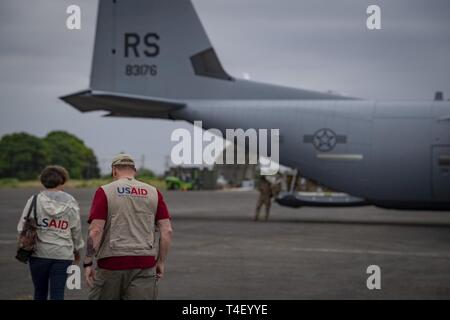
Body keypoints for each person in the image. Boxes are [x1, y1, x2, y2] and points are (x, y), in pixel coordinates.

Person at [84, 153, 173, 300]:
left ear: (114, 170)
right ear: (134, 170)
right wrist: (161, 262)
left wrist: (87, 262)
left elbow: (95, 230)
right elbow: (167, 230)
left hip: (111, 263)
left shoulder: (105, 191)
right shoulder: (154, 192)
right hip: (145, 264)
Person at [17, 165, 84, 300]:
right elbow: (76, 230)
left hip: (38, 254)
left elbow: (21, 228)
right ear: (62, 180)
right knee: (57, 294)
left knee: (40, 292)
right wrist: (77, 250)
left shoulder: (34, 200)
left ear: (43, 180)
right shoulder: (71, 201)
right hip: (63, 254)